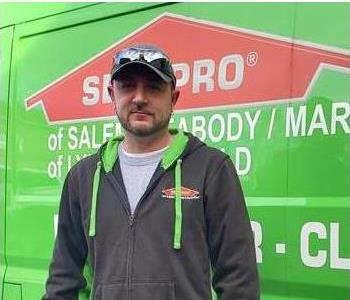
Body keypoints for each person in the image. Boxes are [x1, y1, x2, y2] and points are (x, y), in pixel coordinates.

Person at [43, 44, 259, 300]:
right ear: (112, 94)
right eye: (127, 86)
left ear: (174, 98)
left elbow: (239, 282)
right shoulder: (83, 177)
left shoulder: (211, 169)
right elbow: (63, 280)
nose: (139, 97)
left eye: (154, 87)